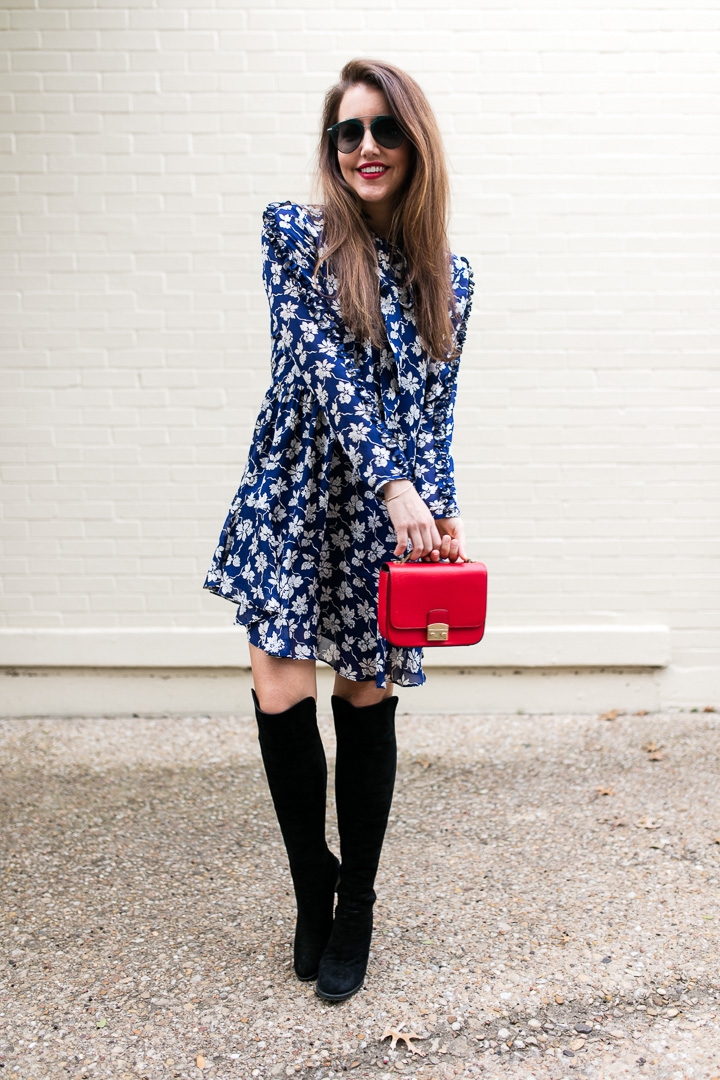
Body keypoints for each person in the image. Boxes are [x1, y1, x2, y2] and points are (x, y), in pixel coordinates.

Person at [203, 58, 474, 1002]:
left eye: (382, 130)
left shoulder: (452, 277)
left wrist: (435, 505)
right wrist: (399, 482)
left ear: (414, 144)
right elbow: (324, 367)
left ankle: (355, 899)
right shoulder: (296, 236)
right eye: (346, 132)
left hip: (384, 514)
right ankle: (309, 880)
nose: (364, 147)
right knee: (281, 692)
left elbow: (433, 406)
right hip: (296, 484)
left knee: (366, 696)